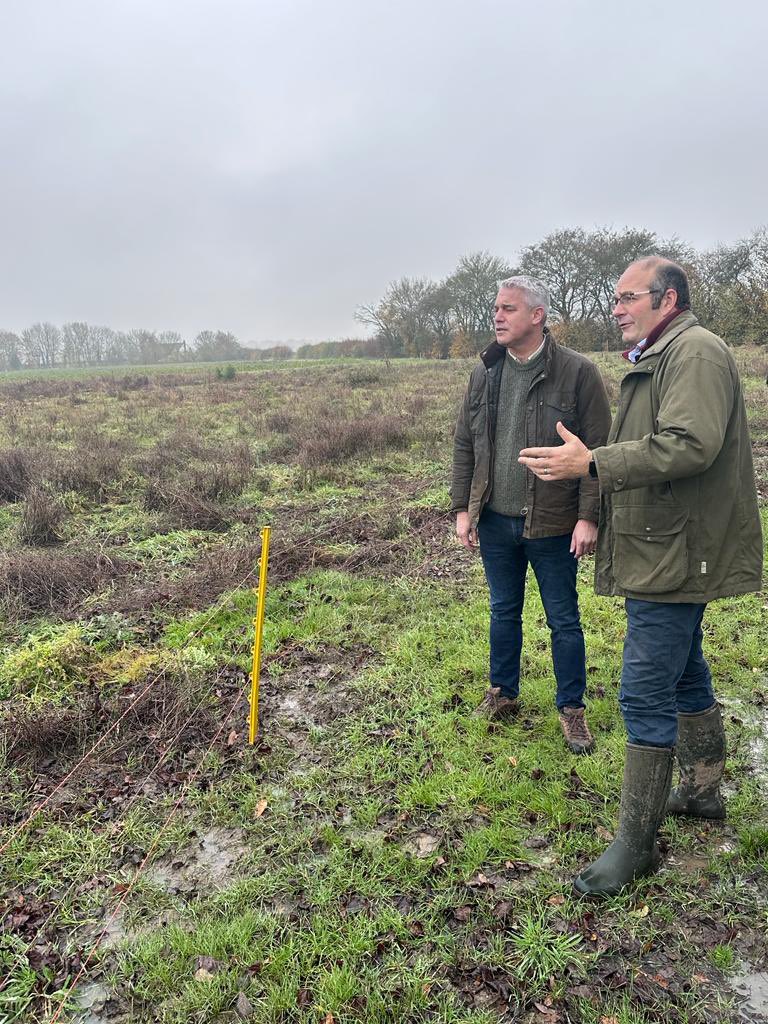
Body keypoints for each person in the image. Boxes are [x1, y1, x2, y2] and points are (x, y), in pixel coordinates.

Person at [519, 257, 763, 896]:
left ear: (668, 298)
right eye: (615, 299)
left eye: (628, 298)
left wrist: (591, 462)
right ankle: (705, 791)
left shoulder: (696, 354)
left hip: (678, 549)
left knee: (644, 688)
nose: (617, 309)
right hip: (665, 546)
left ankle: (636, 844)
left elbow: (690, 443)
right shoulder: (659, 356)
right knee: (685, 668)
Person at [451, 275, 611, 754]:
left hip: (554, 524)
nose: (497, 317)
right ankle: (503, 694)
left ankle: (572, 710)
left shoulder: (579, 373)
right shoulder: (485, 372)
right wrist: (463, 507)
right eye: (495, 308)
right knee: (504, 610)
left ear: (536, 316)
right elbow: (465, 443)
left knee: (563, 618)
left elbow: (600, 451)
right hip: (496, 520)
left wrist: (590, 516)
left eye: (508, 309)